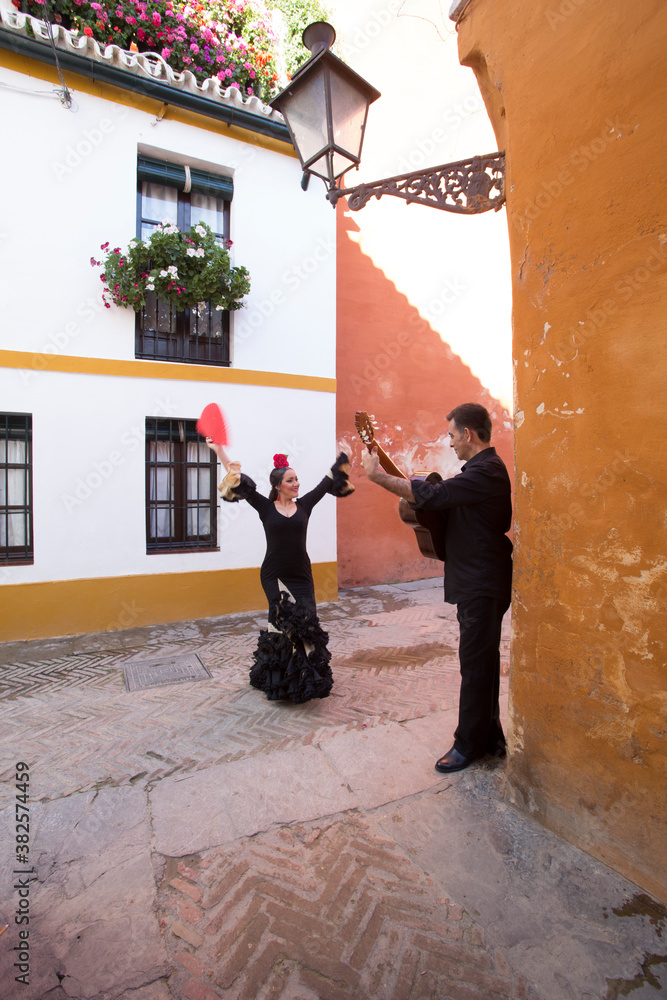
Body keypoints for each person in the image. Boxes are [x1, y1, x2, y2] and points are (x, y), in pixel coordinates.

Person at [360, 403, 512, 773]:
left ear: (469, 435)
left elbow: (434, 496)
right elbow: (440, 502)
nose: (450, 442)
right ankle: (490, 737)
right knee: (484, 661)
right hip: (478, 578)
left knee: (474, 664)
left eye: (452, 435)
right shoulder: (477, 473)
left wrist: (378, 477)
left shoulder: (487, 471)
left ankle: (467, 746)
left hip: (481, 582)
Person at [206, 439, 353, 704]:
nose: (296, 484)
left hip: (301, 577)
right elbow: (238, 480)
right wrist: (218, 450)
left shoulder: (305, 504)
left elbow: (327, 480)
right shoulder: (265, 508)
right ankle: (286, 682)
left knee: (306, 625)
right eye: (290, 480)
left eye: (297, 479)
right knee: (284, 626)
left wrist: (344, 456)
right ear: (277, 486)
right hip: (274, 575)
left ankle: (305, 680)